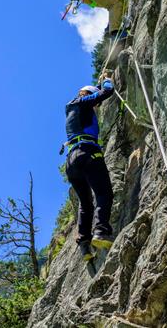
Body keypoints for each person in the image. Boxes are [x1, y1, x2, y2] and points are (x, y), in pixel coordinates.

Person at [64, 74, 115, 261]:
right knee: (104, 193)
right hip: (88, 153)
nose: (96, 107)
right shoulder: (82, 102)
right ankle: (101, 231)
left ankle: (84, 244)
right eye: (95, 104)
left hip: (72, 160)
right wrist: (106, 80)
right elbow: (107, 91)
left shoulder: (71, 109)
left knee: (85, 203)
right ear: (87, 95)